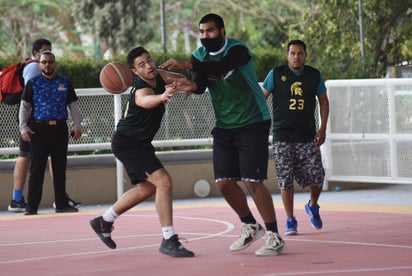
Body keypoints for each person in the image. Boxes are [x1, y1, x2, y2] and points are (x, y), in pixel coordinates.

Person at [160, 13, 285, 256]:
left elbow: (222, 67)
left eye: (210, 31)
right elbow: (201, 85)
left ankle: (274, 235)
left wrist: (185, 66)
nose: (206, 36)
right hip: (225, 124)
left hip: (253, 120)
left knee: (252, 181)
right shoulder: (198, 56)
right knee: (224, 183)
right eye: (202, 32)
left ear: (222, 31)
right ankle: (250, 225)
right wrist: (188, 84)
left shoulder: (238, 50)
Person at [89, 47, 194, 258]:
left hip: (139, 143)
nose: (148, 66)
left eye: (149, 60)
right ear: (134, 72)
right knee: (163, 182)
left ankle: (104, 221)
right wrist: (163, 96)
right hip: (128, 142)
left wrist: (186, 85)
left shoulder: (160, 75)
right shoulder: (140, 88)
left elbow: (180, 78)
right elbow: (144, 101)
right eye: (142, 64)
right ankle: (168, 239)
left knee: (147, 189)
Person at [261, 39, 329, 235]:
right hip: (282, 136)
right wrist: (259, 123)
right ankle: (290, 219)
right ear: (287, 55)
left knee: (317, 176)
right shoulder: (276, 74)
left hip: (308, 136)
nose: (296, 57)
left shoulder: (314, 75)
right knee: (285, 179)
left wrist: (322, 128)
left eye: (300, 53)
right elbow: (261, 97)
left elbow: (324, 102)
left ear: (305, 55)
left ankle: (313, 205)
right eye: (292, 53)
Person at [8, 38, 80, 212]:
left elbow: (73, 106)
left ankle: (61, 204)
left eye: (50, 62)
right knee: (37, 170)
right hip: (39, 130)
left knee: (59, 168)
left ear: (55, 64)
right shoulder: (33, 83)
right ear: (39, 64)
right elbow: (25, 107)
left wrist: (77, 125)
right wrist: (23, 128)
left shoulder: (65, 82)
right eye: (44, 62)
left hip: (60, 129)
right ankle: (32, 207)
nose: (47, 65)